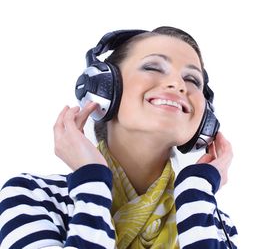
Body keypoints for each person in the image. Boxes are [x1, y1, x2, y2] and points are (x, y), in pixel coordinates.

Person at [0, 26, 238, 248]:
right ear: (104, 87)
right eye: (152, 67)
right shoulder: (32, 196)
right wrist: (91, 178)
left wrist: (195, 191)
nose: (178, 84)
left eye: (192, 80)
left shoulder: (211, 218)